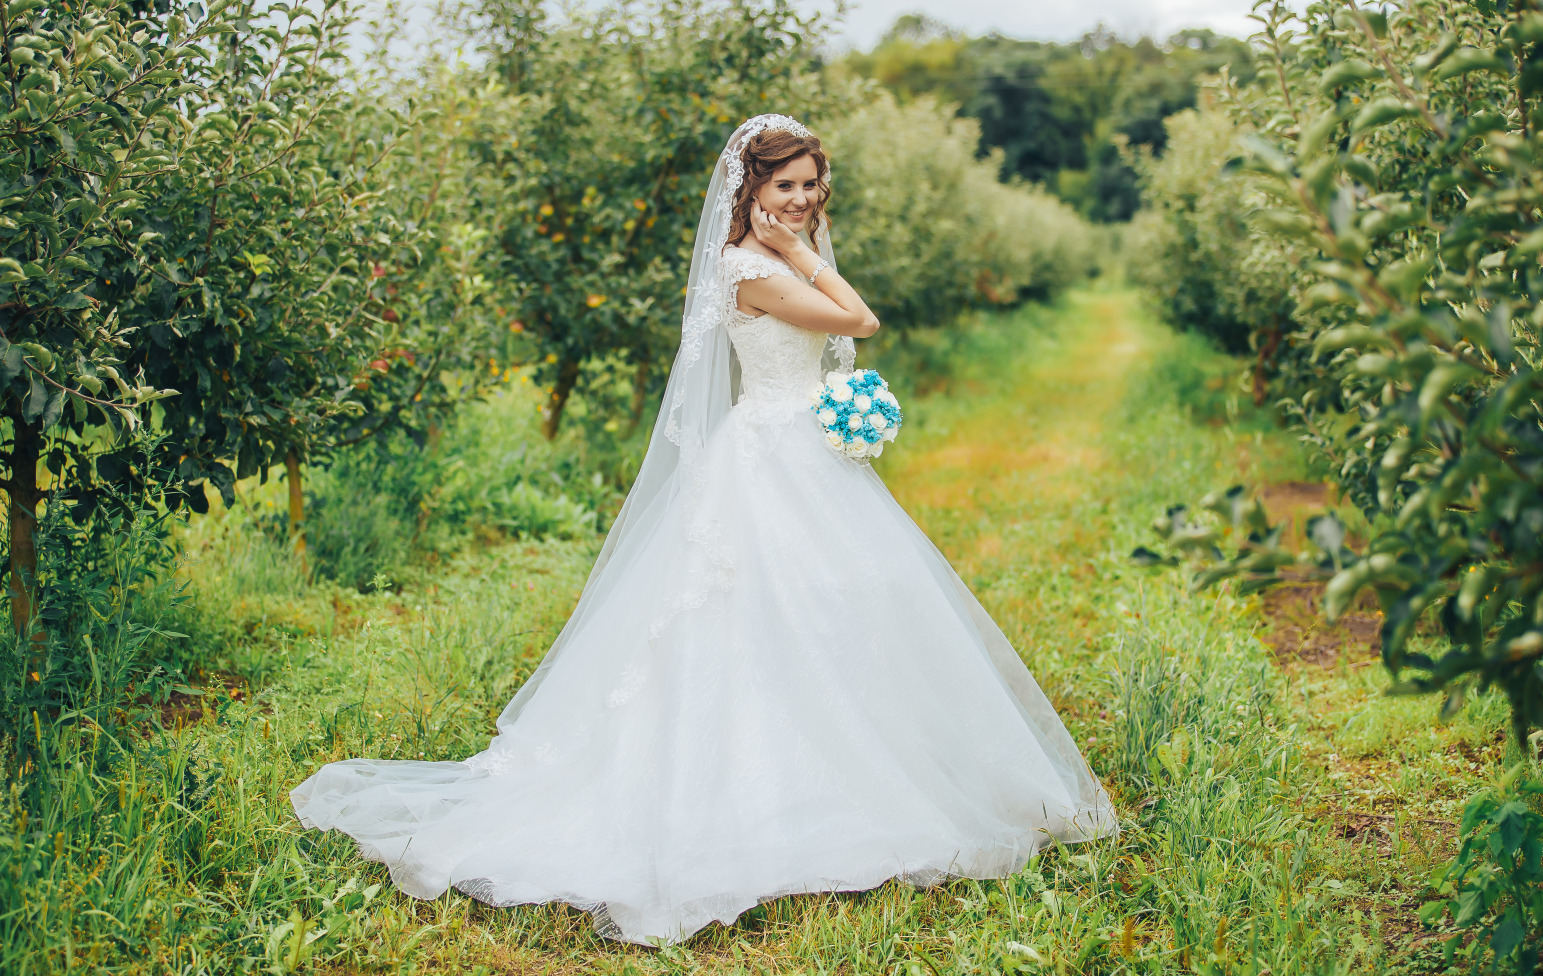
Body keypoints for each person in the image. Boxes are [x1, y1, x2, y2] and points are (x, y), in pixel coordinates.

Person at [291, 114, 1115, 946]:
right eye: (784, 185)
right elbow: (858, 322)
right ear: (749, 190)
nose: (801, 198)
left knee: (841, 601)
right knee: (758, 607)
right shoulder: (749, 267)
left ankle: (855, 759)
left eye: (809, 184)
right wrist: (801, 253)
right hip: (769, 456)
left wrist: (808, 263)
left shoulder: (776, 255)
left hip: (805, 448)